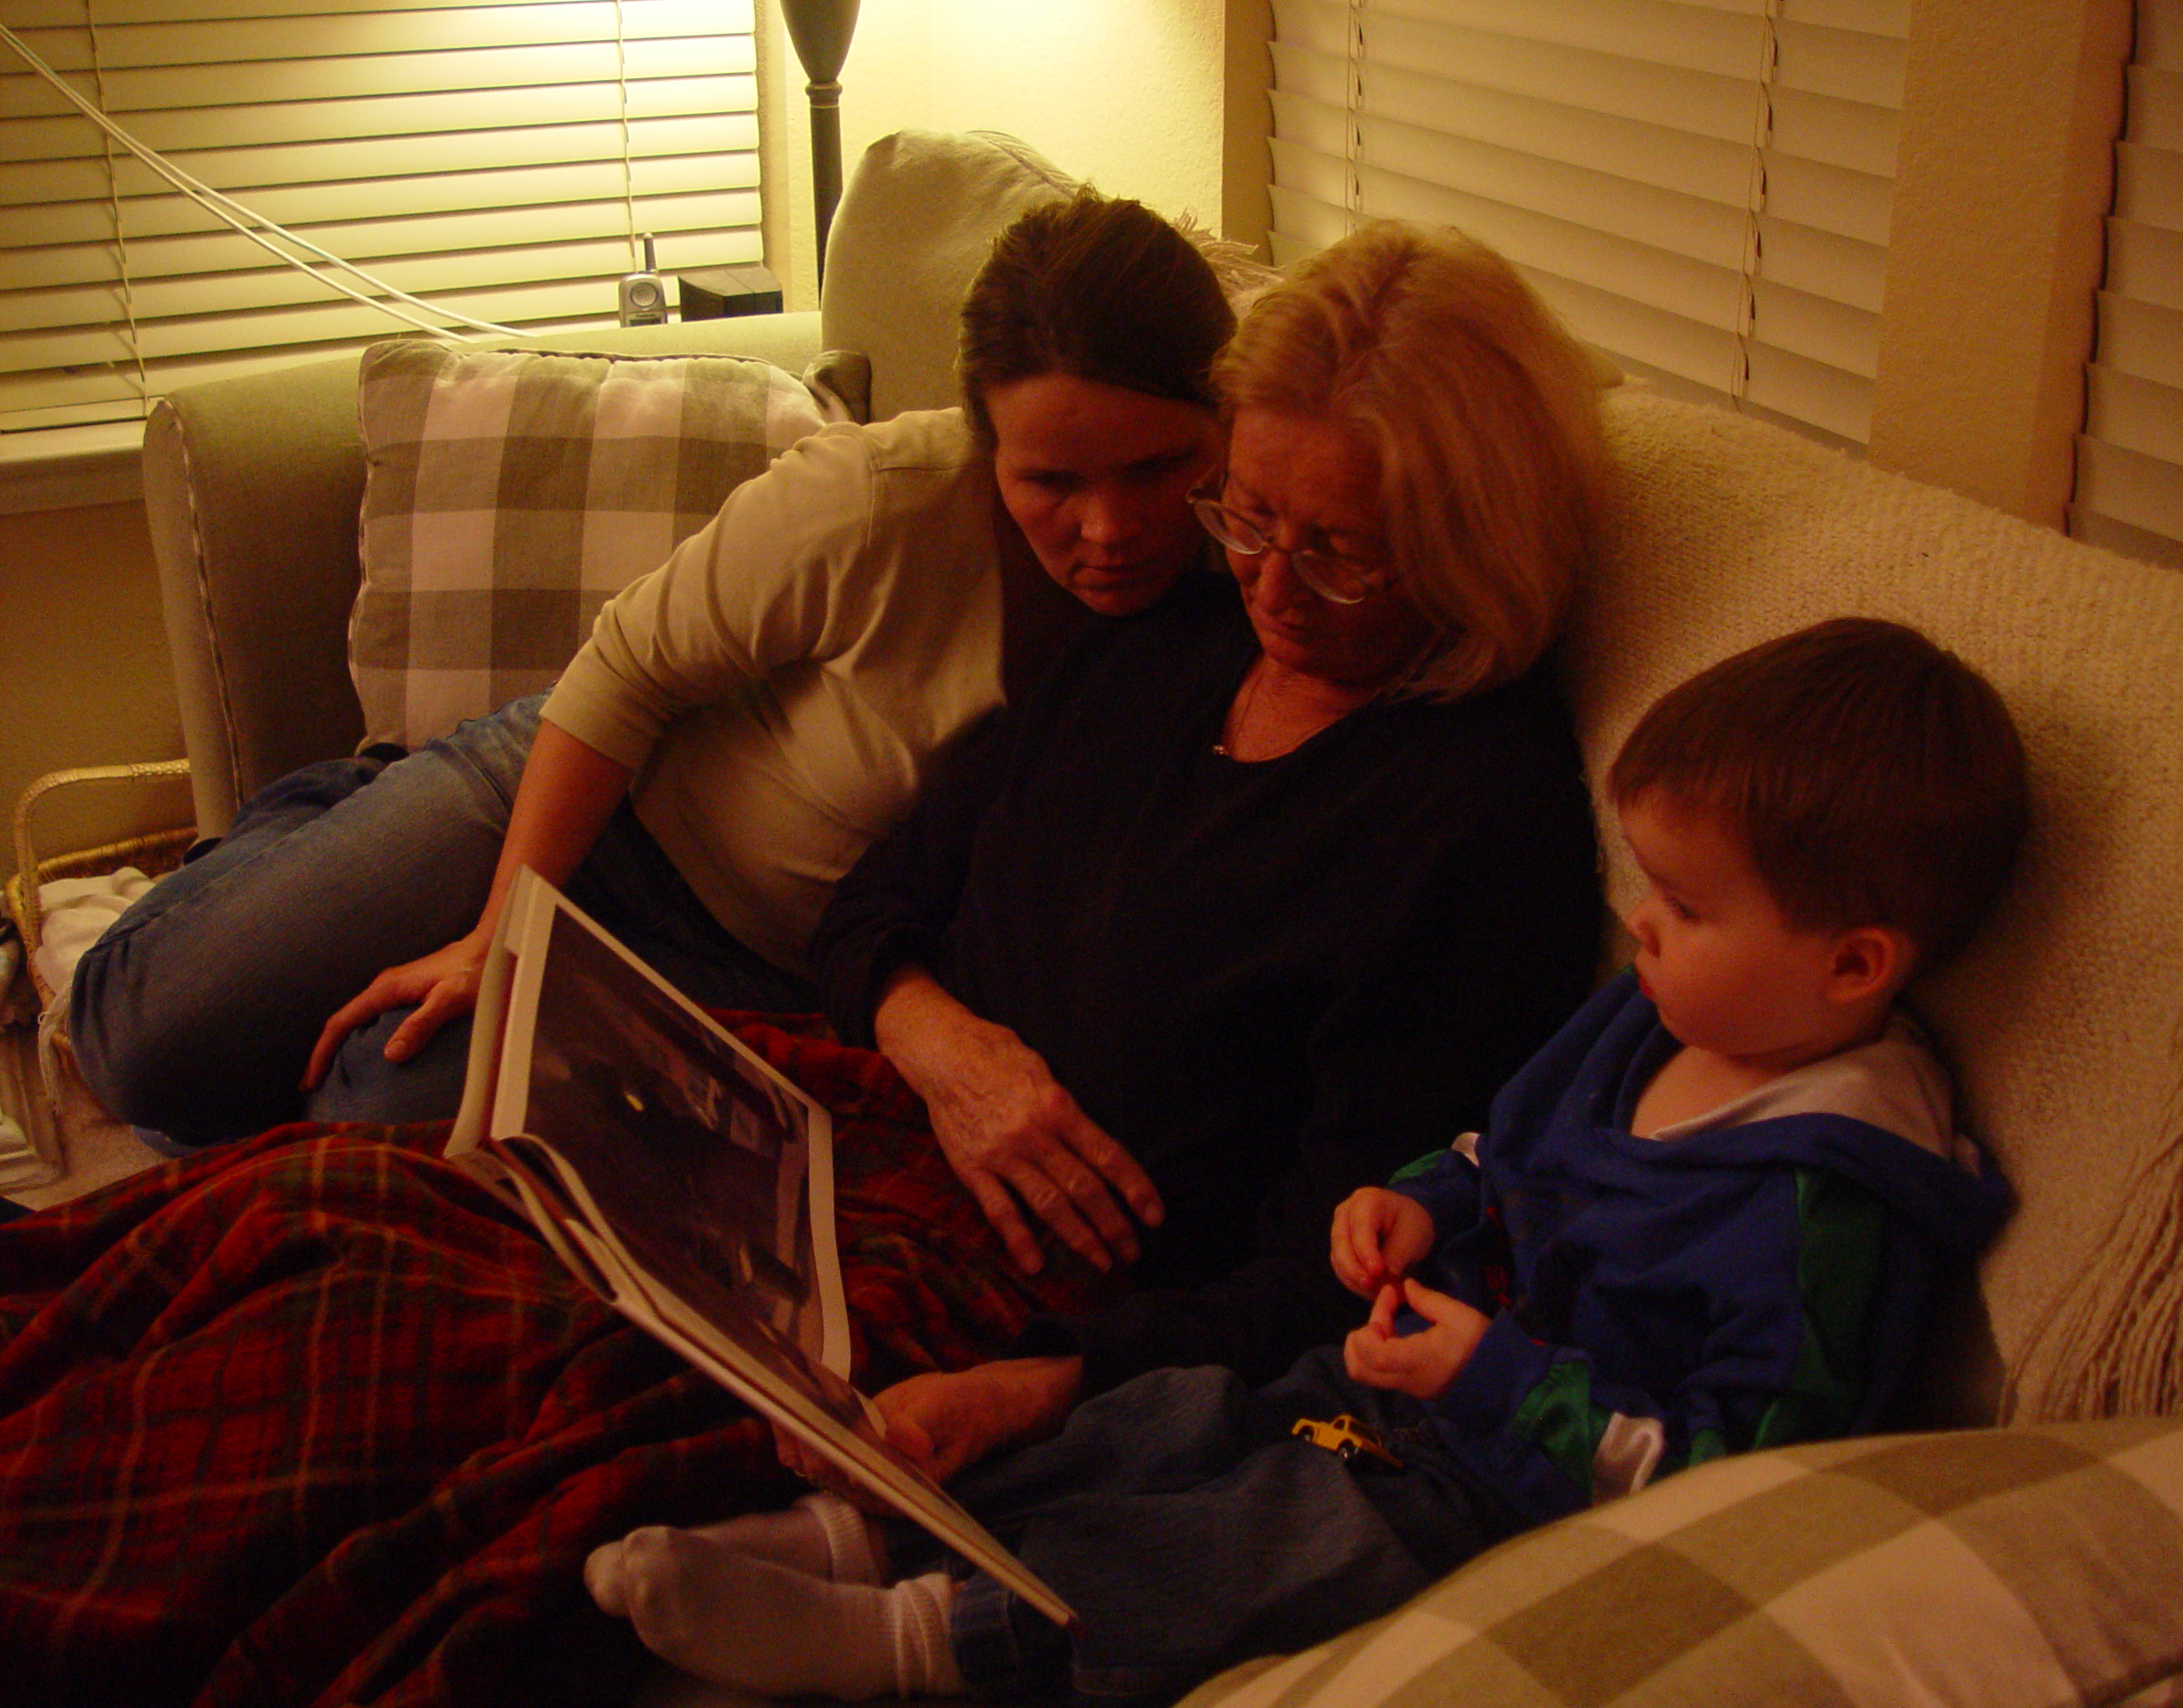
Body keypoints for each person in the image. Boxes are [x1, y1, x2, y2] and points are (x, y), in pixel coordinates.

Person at [0, 217, 1607, 1708]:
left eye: (1338, 553)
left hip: (1013, 1275)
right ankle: (335, 818)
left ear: (1469, 542)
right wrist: (937, 1038)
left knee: (420, 1350)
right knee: (315, 1196)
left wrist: (1048, 1385)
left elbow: (1324, 1269)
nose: (1262, 582)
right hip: (838, 1108)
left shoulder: (1474, 823)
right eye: (1248, 519)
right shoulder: (1167, 635)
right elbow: (871, 908)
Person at [585, 616, 2029, 1704]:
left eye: (1687, 906)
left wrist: (1495, 1381)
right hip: (1391, 1370)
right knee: (1173, 1422)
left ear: (1850, 964)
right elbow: (1492, 1148)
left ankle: (920, 1643)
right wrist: (1410, 1203)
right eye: (1643, 888)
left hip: (1494, 1500)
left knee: (1267, 1538)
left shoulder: (1827, 1211)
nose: (1640, 926)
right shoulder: (1652, 1020)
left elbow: (1732, 1487)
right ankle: (866, 1539)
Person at [68, 192, 1237, 1147]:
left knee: (368, 1110)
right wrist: (500, 933)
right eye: (1052, 483)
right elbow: (624, 671)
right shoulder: (879, 500)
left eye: (1156, 469)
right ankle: (343, 806)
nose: (1112, 529)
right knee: (146, 1048)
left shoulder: (1240, 608)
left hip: (744, 973)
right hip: (593, 792)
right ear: (987, 440)